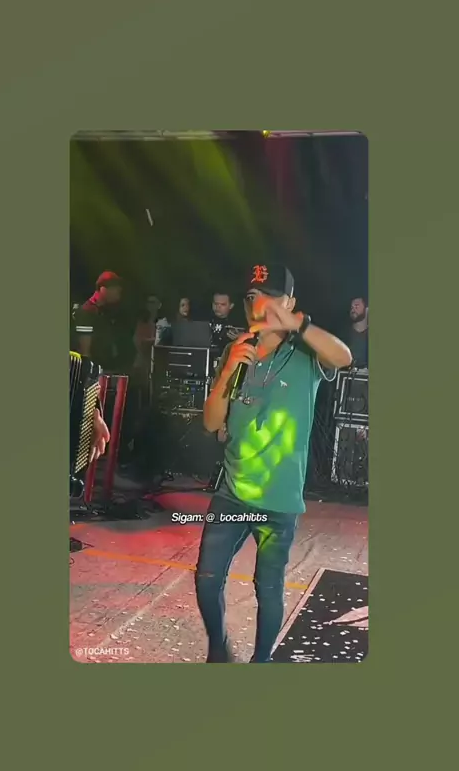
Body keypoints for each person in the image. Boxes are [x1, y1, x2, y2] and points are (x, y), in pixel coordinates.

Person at [195, 262, 352, 663]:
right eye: (252, 296)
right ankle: (218, 651)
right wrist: (229, 370)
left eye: (270, 296)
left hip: (279, 501)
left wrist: (299, 325)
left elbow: (344, 356)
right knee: (207, 579)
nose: (258, 305)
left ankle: (262, 664)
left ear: (289, 302)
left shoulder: (305, 353)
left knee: (268, 589)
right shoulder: (237, 350)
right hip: (232, 492)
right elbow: (211, 422)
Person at [72, 272, 132, 372]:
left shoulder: (105, 311)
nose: (119, 292)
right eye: (115, 288)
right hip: (95, 373)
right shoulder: (87, 312)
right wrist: (89, 375)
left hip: (106, 369)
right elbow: (84, 351)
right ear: (103, 289)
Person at [348, 296, 368, 368]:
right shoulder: (344, 334)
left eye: (356, 305)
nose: (353, 309)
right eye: (351, 307)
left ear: (366, 309)